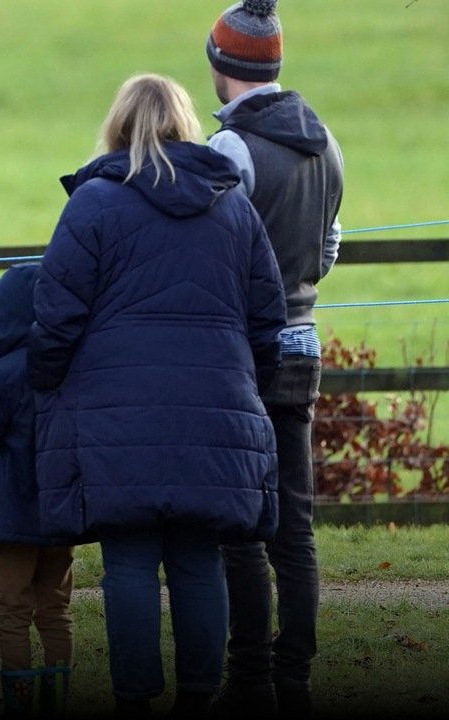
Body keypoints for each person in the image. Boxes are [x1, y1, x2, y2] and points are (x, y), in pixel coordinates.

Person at [26, 74, 286, 719]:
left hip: (116, 415)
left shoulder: (94, 203)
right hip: (216, 407)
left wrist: (48, 380)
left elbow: (56, 313)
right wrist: (245, 388)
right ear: (185, 122)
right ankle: (198, 697)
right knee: (199, 557)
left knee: (130, 560)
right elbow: (267, 317)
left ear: (118, 124)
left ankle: (134, 699)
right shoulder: (233, 206)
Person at [203, 2, 345, 717]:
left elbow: (213, 252)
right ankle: (296, 679)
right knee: (296, 527)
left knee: (241, 525)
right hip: (303, 339)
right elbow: (329, 246)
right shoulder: (326, 141)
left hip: (244, 349)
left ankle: (250, 679)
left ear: (220, 64)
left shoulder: (231, 148)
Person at [0, 263, 76, 718]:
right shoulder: (69, 369)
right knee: (56, 609)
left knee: (14, 611)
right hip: (60, 511)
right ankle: (56, 699)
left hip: (9, 516)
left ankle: (19, 702)